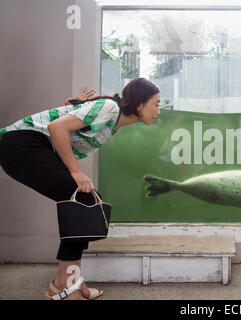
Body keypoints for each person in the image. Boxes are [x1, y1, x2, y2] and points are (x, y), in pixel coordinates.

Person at [0, 78, 161, 300]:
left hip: (28, 146)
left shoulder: (111, 119)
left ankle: (69, 282)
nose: (158, 111)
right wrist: (76, 171)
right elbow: (56, 127)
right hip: (20, 145)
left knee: (85, 203)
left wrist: (73, 108)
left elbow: (63, 127)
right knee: (84, 202)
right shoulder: (110, 108)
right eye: (156, 103)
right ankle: (65, 286)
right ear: (140, 104)